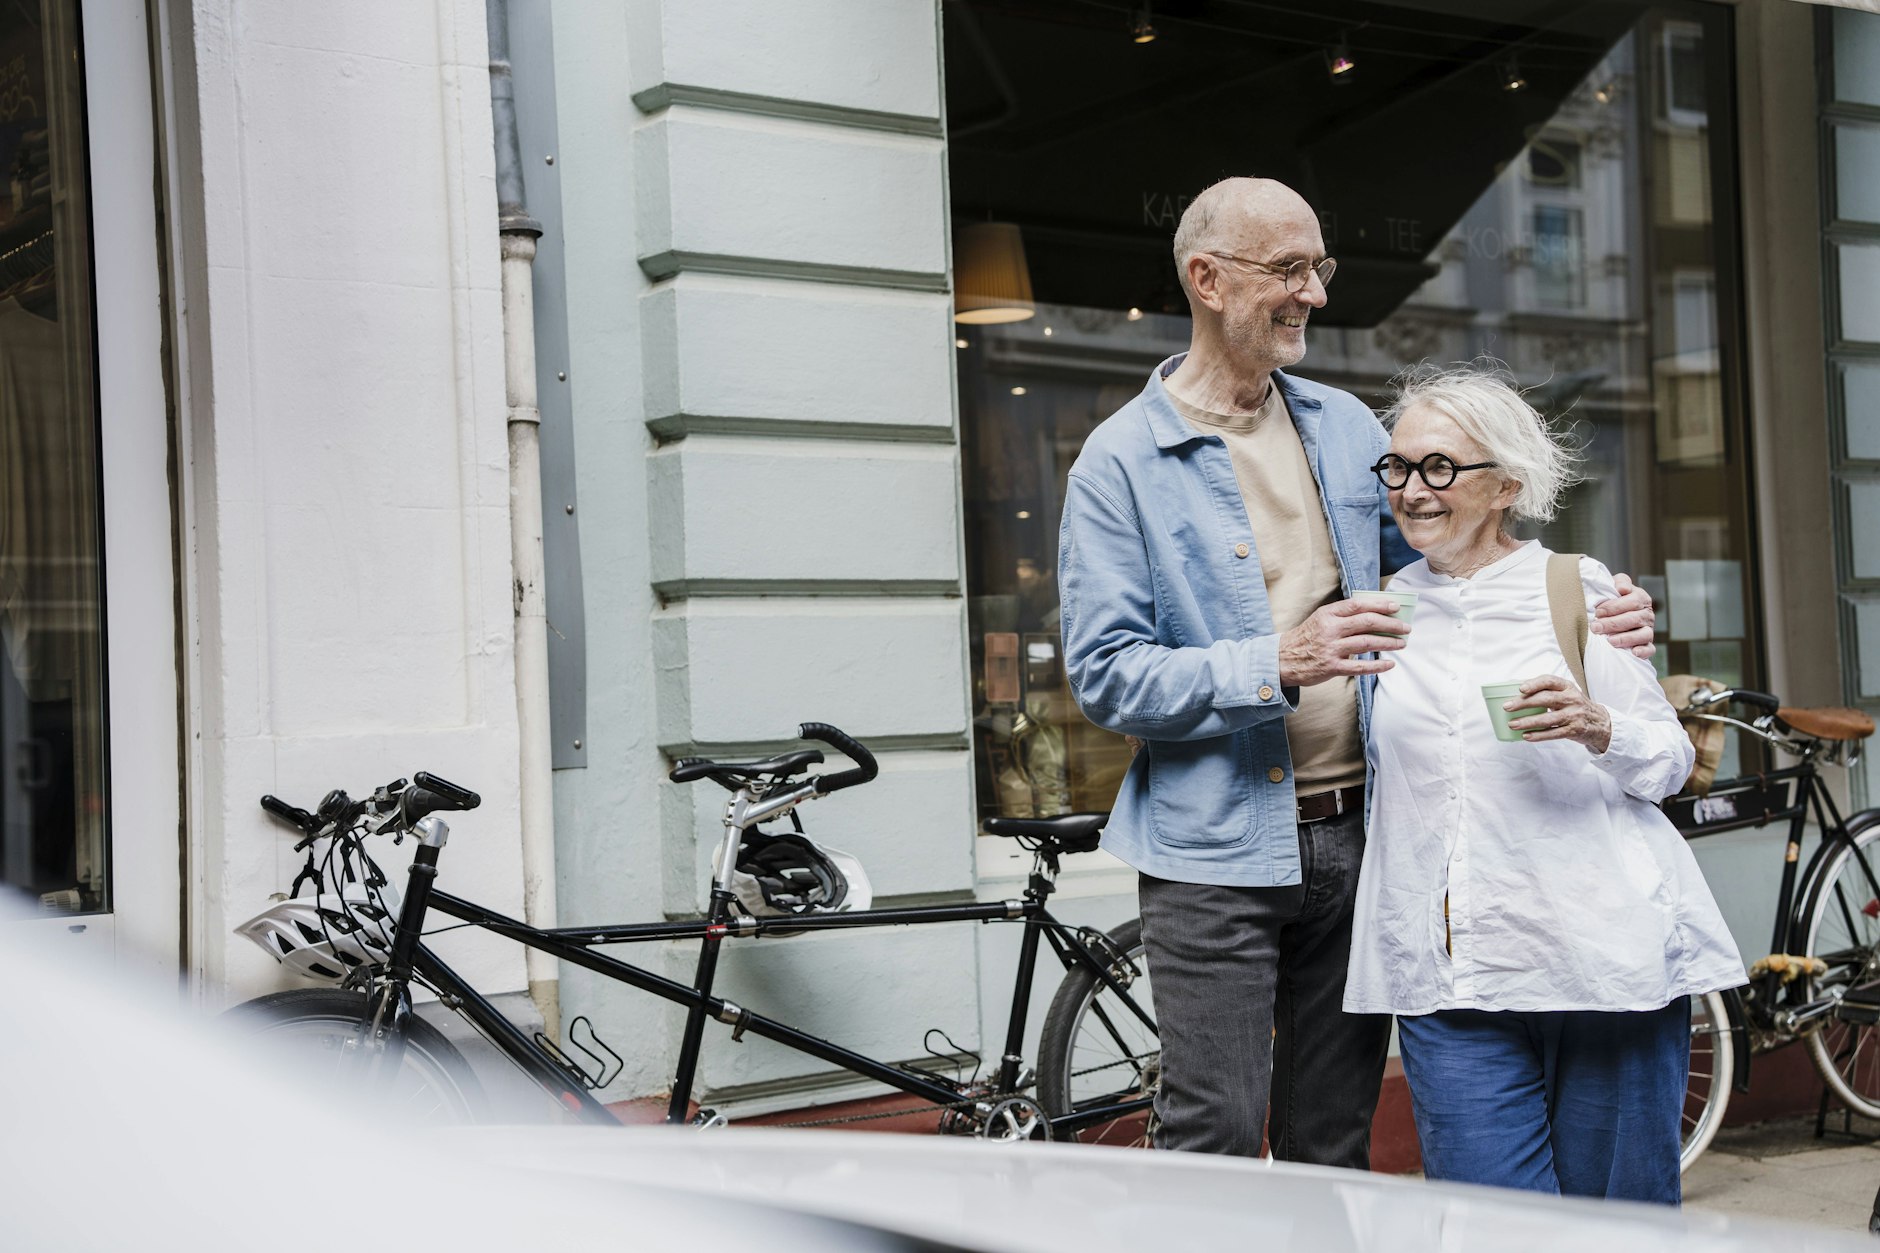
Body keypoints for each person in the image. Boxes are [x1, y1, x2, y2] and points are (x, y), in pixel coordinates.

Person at [1056, 176, 1659, 1167]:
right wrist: (1279, 659)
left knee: (1331, 1127)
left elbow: (1455, 553)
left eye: (1317, 267)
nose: (1314, 294)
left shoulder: (1342, 426)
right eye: (1287, 270)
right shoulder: (1118, 462)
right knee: (1209, 1125)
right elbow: (1109, 679)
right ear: (1206, 279)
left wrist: (1588, 602)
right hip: (1210, 854)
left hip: (1366, 834)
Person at [1343, 363, 1742, 1203]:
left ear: (1506, 486)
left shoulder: (1576, 588)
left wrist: (1600, 726)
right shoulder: (1380, 611)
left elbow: (1668, 762)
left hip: (1602, 962)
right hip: (1455, 982)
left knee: (1618, 1223)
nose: (1413, 489)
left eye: (1440, 467)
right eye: (1399, 467)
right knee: (1492, 1224)